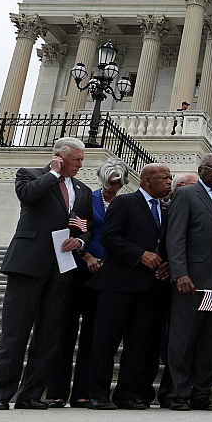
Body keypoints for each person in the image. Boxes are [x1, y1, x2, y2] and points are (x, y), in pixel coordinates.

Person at [0, 137, 94, 411]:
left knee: (49, 335)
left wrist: (80, 241)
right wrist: (54, 173)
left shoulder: (83, 190)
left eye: (82, 160)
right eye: (76, 160)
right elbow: (28, 195)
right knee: (15, 332)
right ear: (59, 157)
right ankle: (1, 394)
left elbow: (86, 227)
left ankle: (31, 394)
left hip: (61, 268)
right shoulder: (31, 175)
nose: (81, 165)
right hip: (28, 264)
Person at [86, 163, 173, 410]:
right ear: (146, 180)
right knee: (106, 342)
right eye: (164, 178)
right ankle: (97, 394)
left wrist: (165, 263)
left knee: (139, 344)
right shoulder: (124, 203)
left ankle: (127, 394)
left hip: (149, 288)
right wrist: (139, 254)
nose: (169, 182)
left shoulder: (165, 209)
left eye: (170, 178)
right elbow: (110, 237)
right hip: (118, 284)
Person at [47, 158, 127, 408]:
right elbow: (77, 231)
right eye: (110, 181)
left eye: (118, 182)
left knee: (93, 335)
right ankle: (56, 391)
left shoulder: (125, 203)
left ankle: (83, 391)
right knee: (65, 332)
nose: (113, 187)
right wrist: (87, 255)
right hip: (80, 270)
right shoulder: (86, 199)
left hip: (107, 274)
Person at [165, 153, 212, 411]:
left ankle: (201, 394)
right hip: (191, 282)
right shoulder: (186, 195)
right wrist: (180, 273)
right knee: (183, 340)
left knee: (209, 341)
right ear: (201, 169)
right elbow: (175, 237)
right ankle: (178, 394)